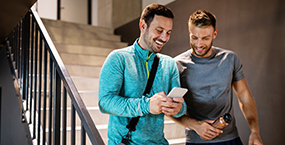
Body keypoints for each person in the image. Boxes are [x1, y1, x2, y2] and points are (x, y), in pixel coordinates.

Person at [169, 10, 264, 145]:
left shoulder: (230, 59)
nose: (199, 44)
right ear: (189, 33)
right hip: (197, 141)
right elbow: (168, 109)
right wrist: (196, 125)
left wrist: (255, 132)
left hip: (230, 139)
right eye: (194, 38)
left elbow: (244, 96)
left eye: (205, 38)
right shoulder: (176, 65)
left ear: (215, 34)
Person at [98, 4, 187, 145]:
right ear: (143, 26)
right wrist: (146, 105)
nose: (164, 37)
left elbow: (180, 109)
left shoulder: (169, 64)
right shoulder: (118, 58)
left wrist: (178, 108)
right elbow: (105, 102)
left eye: (168, 32)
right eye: (159, 30)